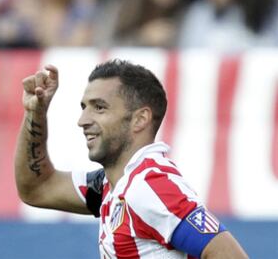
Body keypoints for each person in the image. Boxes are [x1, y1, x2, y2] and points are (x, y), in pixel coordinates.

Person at [15, 59, 249, 258]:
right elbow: (38, 188)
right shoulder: (111, 185)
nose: (82, 120)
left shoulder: (150, 186)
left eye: (99, 108)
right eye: (84, 107)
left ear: (140, 119)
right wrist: (35, 113)